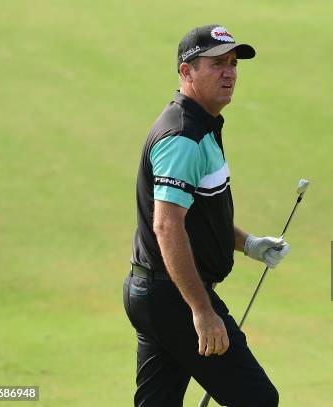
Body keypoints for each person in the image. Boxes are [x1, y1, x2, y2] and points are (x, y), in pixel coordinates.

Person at [123, 24, 290, 407]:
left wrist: (249, 244)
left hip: (156, 292)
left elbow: (199, 214)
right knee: (258, 399)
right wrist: (202, 310)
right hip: (174, 297)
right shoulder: (183, 136)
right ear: (186, 72)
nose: (229, 72)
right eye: (216, 64)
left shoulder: (202, 127)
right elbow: (167, 226)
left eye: (233, 63)